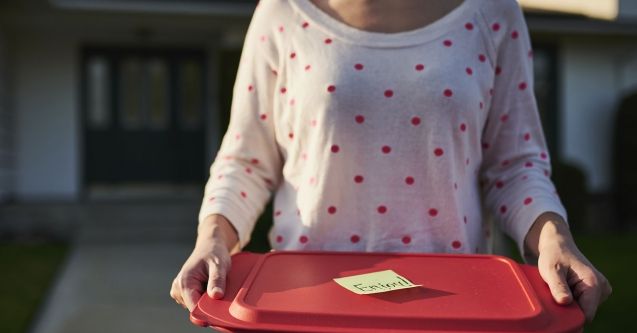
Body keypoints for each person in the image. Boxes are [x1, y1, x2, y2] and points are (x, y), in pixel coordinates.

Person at [170, 0, 611, 322]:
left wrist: (555, 239)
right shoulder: (283, 12)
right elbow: (247, 162)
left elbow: (515, 165)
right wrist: (212, 240)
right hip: (303, 311)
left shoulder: (492, 12)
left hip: (455, 312)